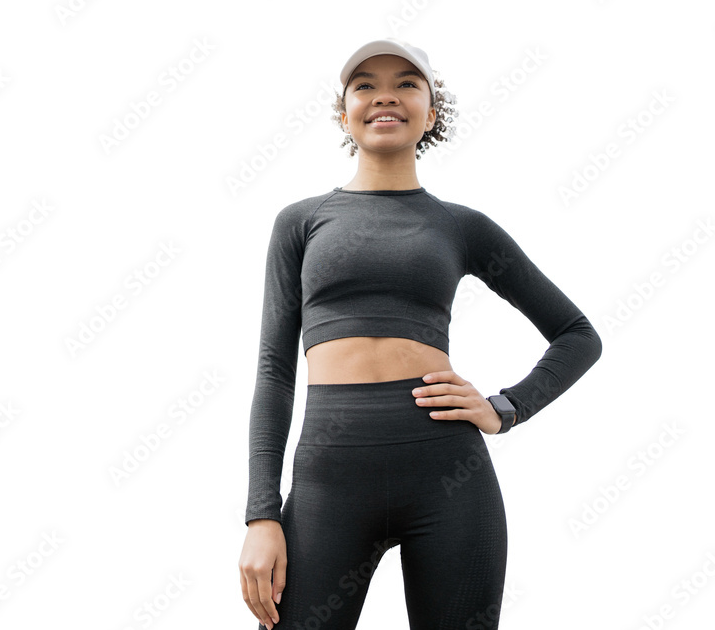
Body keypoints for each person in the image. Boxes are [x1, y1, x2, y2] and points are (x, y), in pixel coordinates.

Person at [237, 38, 603, 630]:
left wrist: (504, 408)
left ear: (432, 112)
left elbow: (577, 335)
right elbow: (275, 373)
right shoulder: (300, 222)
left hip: (448, 478)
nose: (386, 94)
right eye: (365, 85)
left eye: (407, 83)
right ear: (344, 112)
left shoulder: (462, 227)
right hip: (329, 482)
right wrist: (261, 515)